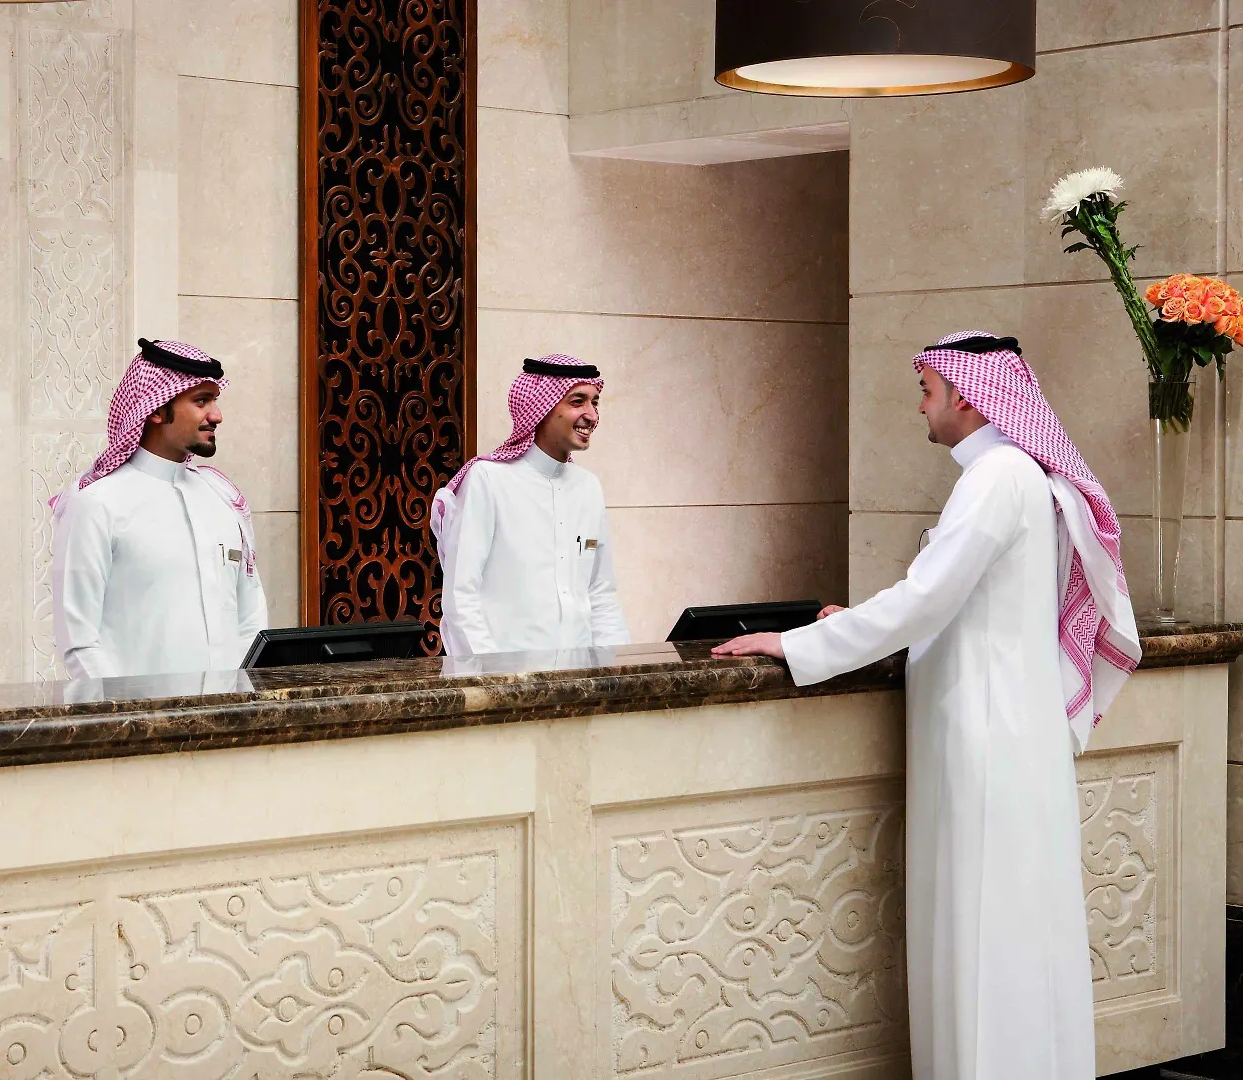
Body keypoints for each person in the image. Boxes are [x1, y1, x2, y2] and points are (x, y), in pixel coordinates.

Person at [714, 331, 1139, 1079]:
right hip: (1003, 734)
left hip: (988, 742)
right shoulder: (1010, 475)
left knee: (989, 939)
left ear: (969, 395)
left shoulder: (999, 476)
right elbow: (953, 599)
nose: (920, 407)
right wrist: (850, 620)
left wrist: (795, 646)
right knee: (1005, 936)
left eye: (927, 390)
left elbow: (927, 599)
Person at [51, 338, 267, 678]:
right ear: (155, 408)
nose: (217, 415)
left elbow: (251, 620)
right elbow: (80, 643)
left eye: (215, 400)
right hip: (141, 725)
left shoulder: (223, 499)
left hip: (229, 720)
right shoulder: (97, 505)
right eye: (201, 401)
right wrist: (135, 721)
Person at [430, 355, 631, 656]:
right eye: (578, 401)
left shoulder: (588, 487)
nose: (591, 415)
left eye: (595, 402)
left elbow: (600, 593)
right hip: (507, 684)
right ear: (542, 408)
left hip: (580, 684)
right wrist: (493, 680)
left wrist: (617, 670)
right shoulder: (489, 479)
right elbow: (462, 596)